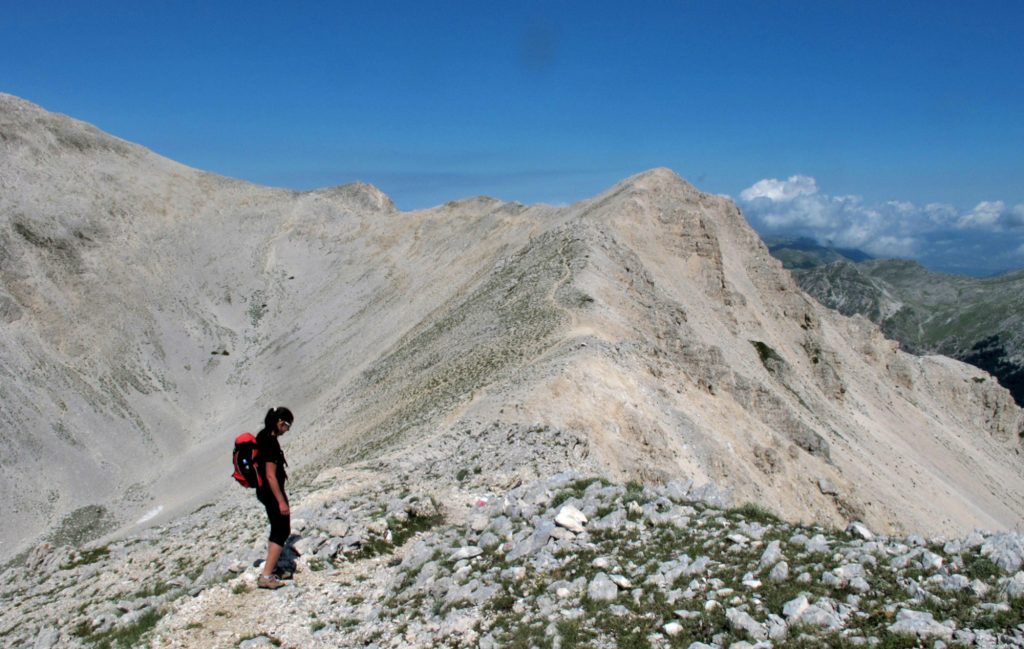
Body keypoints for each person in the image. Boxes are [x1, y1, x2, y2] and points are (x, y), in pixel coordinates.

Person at [255, 406, 294, 590]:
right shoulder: (270, 442)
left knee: (277, 527)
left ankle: (273, 567)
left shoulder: (262, 436)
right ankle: (267, 575)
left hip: (264, 491)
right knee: (282, 529)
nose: (287, 430)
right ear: (280, 423)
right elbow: (271, 475)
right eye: (287, 426)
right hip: (271, 491)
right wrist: (280, 501)